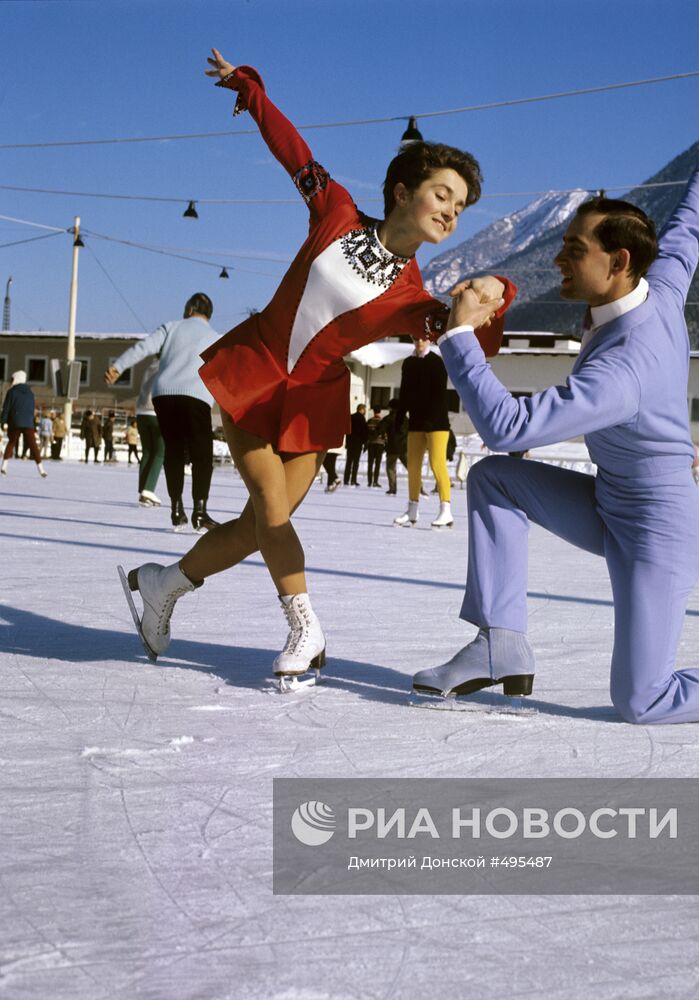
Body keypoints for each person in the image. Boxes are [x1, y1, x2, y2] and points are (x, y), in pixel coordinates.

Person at [411, 108, 699, 724]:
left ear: (617, 264)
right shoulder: (658, 285)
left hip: (658, 535)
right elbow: (689, 228)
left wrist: (460, 338)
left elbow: (506, 428)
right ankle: (499, 644)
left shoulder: (625, 369)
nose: (558, 259)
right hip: (611, 502)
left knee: (643, 700)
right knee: (496, 480)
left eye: (573, 250)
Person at [119, 48, 515, 691]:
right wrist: (250, 92)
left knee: (258, 525)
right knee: (272, 508)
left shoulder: (416, 300)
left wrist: (495, 295)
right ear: (402, 191)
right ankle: (306, 627)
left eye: (462, 205)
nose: (452, 210)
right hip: (255, 371)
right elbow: (294, 151)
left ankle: (163, 584)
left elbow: (476, 340)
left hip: (314, 402)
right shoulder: (334, 212)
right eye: (443, 194)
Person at [106, 292, 222, 528]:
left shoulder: (171, 327)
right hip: (196, 397)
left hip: (164, 395)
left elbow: (143, 348)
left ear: (189, 310)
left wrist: (118, 367)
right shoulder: (214, 337)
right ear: (208, 315)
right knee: (202, 455)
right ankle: (199, 511)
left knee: (174, 450)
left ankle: (176, 507)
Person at [393, 336, 454, 528]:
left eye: (423, 338)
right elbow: (404, 392)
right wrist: (399, 417)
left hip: (437, 423)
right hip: (416, 422)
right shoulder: (409, 363)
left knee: (437, 464)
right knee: (413, 466)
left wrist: (430, 420)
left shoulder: (437, 363)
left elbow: (439, 394)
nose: (419, 341)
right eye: (416, 338)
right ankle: (412, 510)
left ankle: (446, 510)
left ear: (429, 341)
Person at [0, 371, 47, 477]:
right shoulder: (30, 392)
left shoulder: (11, 392)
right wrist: (32, 422)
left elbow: (6, 408)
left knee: (11, 442)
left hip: (15, 421)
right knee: (33, 445)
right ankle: (41, 469)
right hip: (28, 422)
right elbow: (31, 409)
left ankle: (4, 466)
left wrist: (3, 422)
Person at [133, 358, 165, 506]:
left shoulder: (150, 366)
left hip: (141, 412)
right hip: (157, 412)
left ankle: (142, 491)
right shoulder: (168, 364)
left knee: (147, 452)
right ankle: (149, 489)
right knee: (160, 452)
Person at [382, 400, 407, 495]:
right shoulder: (405, 419)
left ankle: (392, 489)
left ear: (390, 408)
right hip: (404, 447)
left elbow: (380, 429)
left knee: (390, 468)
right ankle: (419, 487)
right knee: (411, 468)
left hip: (392, 447)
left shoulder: (388, 418)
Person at [343, 404, 367, 486]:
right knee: (355, 463)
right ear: (362, 409)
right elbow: (364, 432)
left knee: (348, 462)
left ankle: (346, 480)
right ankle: (353, 480)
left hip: (350, 443)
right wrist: (365, 443)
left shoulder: (351, 417)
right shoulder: (362, 418)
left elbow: (347, 430)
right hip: (358, 443)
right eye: (364, 409)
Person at [365, 407, 386, 488]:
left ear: (373, 412)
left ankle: (369, 482)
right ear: (380, 412)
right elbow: (385, 433)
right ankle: (375, 482)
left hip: (371, 444)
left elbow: (366, 432)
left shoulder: (369, 421)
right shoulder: (382, 421)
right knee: (377, 464)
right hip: (380, 444)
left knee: (370, 463)